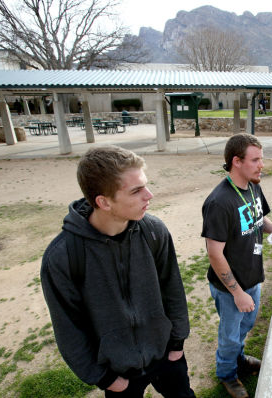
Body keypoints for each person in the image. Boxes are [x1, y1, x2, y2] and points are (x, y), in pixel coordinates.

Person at [41, 146, 195, 398]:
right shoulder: (63, 257)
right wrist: (104, 377)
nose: (150, 195)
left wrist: (177, 343)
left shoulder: (153, 231)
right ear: (103, 202)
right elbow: (68, 328)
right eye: (136, 190)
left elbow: (172, 289)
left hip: (167, 356)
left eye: (145, 185)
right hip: (118, 374)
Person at [202, 133, 272, 398]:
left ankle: (238, 359)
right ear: (236, 161)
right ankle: (227, 374)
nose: (261, 165)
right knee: (230, 335)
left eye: (261, 159)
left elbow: (259, 221)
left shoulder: (253, 185)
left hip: (253, 276)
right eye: (255, 160)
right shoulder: (219, 202)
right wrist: (237, 292)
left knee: (245, 325)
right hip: (231, 287)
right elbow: (214, 253)